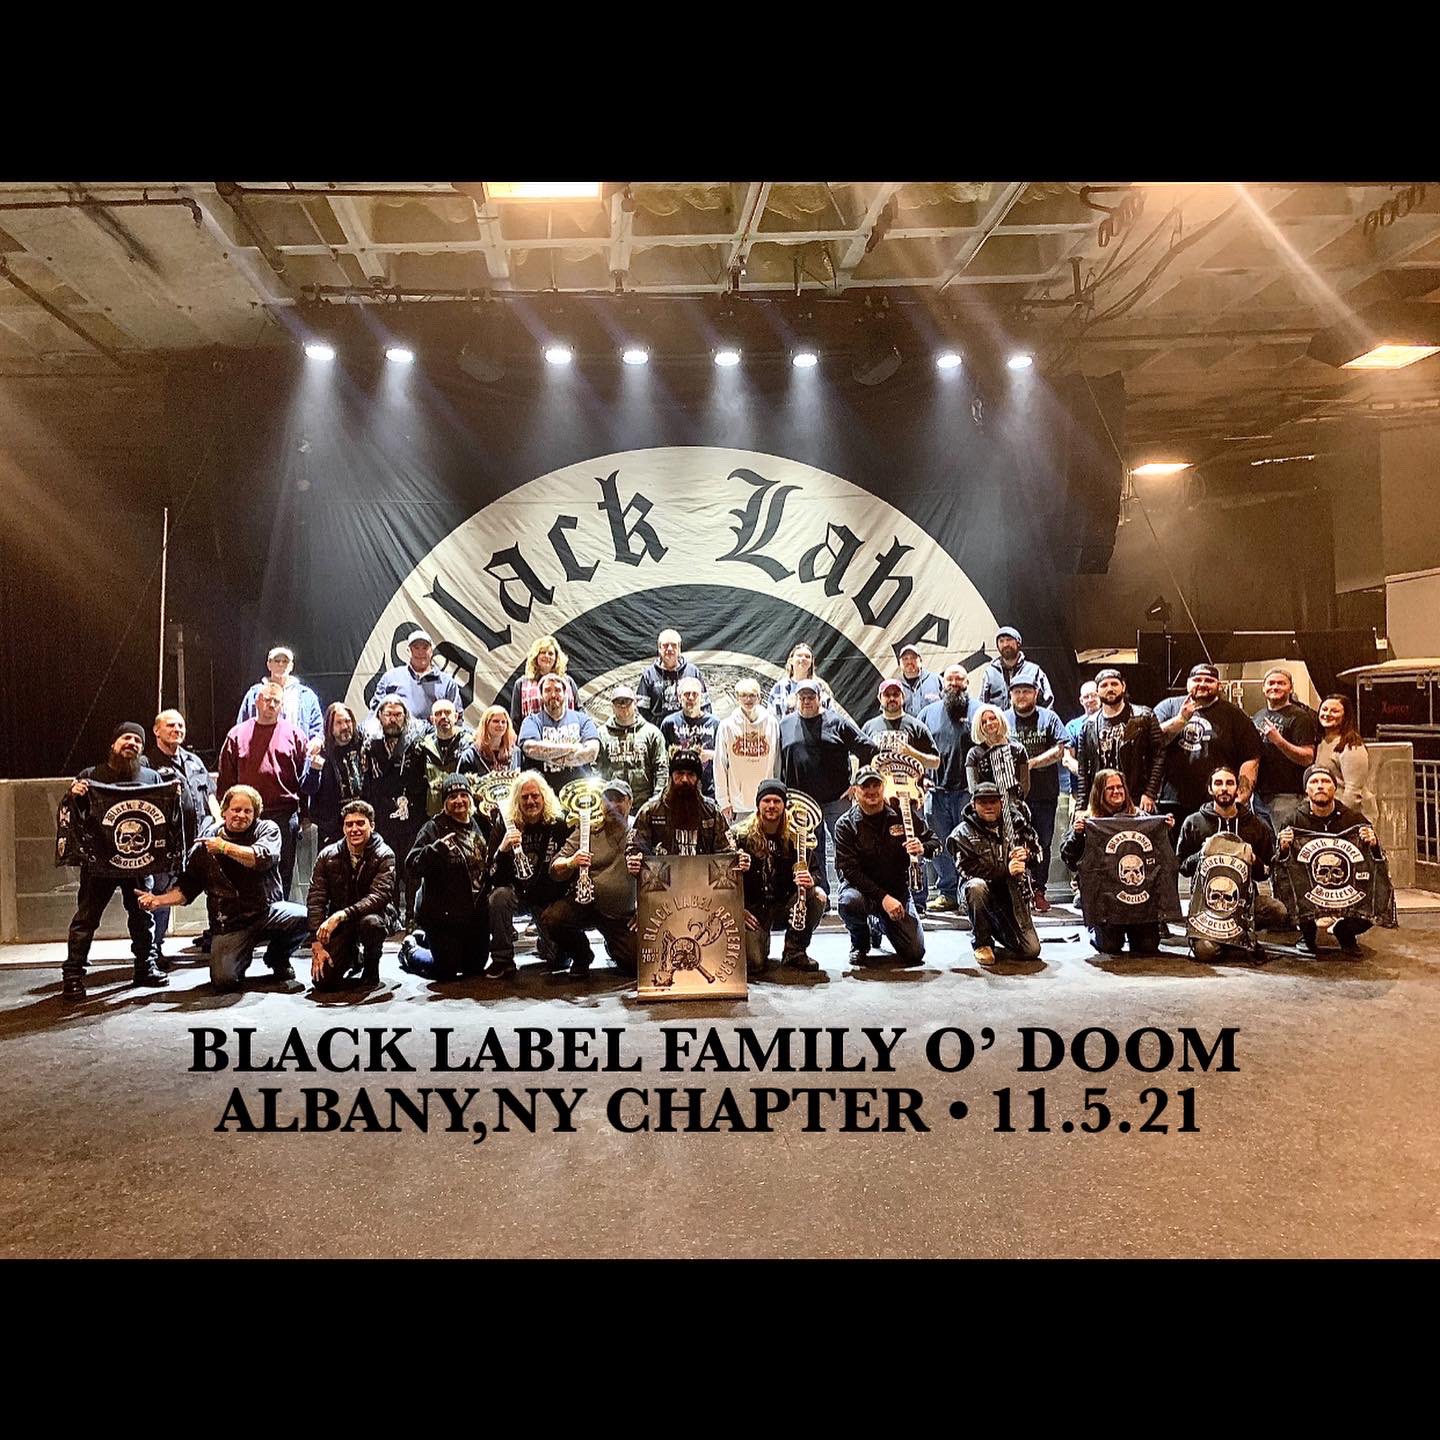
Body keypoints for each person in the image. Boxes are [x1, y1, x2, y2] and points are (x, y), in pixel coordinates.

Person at [139, 783, 307, 992]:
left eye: (248, 811)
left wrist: (224, 847)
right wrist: (158, 901)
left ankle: (277, 958)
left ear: (255, 814)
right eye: (236, 810)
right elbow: (186, 888)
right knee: (224, 981)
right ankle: (239, 960)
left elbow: (261, 858)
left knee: (305, 917)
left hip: (267, 912)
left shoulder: (267, 829)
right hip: (231, 923)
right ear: (224, 811)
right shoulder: (204, 845)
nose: (241, 815)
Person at [60, 723, 173, 1002]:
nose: (131, 742)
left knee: (142, 917)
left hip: (140, 862)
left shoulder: (151, 777)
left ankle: (145, 967)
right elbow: (73, 815)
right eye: (126, 737)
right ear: (113, 744)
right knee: (86, 919)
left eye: (137, 740)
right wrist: (73, 796)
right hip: (100, 863)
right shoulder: (91, 776)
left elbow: (165, 815)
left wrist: (175, 795)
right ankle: (73, 975)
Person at [777, 679, 879, 900]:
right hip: (801, 804)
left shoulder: (837, 722)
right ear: (796, 699)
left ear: (819, 698)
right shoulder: (784, 725)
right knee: (811, 853)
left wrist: (856, 784)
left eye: (811, 697)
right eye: (802, 697)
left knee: (847, 847)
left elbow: (869, 749)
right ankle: (820, 899)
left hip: (836, 800)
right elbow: (778, 762)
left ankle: (851, 896)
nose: (806, 701)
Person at [1175, 765, 1289, 959]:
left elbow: (1265, 872)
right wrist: (1201, 855)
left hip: (1245, 903)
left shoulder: (1255, 825)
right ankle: (1229, 940)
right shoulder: (1193, 822)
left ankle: (1238, 935)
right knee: (1207, 953)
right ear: (1210, 789)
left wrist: (1254, 860)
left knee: (1278, 910)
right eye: (1218, 783)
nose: (1224, 788)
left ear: (1238, 788)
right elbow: (1183, 867)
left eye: (1229, 783)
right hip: (1205, 906)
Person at [833, 766, 938, 968]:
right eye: (865, 786)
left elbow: (934, 841)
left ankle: (877, 923)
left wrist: (923, 847)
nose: (871, 790)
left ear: (884, 787)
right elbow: (850, 872)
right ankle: (860, 942)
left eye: (876, 785)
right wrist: (883, 899)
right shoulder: (845, 825)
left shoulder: (903, 815)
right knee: (849, 902)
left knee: (915, 953)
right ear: (855, 790)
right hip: (861, 891)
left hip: (897, 891)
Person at [1062, 770, 1173, 956]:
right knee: (1110, 946)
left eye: (1120, 787)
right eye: (1110, 788)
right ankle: (1093, 928)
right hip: (1105, 905)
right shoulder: (1088, 820)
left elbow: (1162, 858)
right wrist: (1077, 836)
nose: (1117, 791)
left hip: (1139, 904)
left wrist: (1166, 830)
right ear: (1100, 792)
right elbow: (1070, 860)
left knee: (1147, 947)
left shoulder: (1141, 817)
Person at [217, 679, 310, 900]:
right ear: (257, 702)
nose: (271, 705)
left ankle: (278, 914)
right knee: (244, 869)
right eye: (267, 700)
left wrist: (305, 814)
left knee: (281, 871)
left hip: (284, 815)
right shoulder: (237, 735)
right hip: (245, 817)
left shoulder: (295, 735)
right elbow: (226, 780)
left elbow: (304, 780)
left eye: (276, 701)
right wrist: (225, 814)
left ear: (282, 705)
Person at [399, 776, 497, 981]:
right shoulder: (433, 828)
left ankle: (427, 940)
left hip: (474, 915)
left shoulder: (478, 823)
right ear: (444, 802)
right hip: (443, 917)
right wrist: (436, 851)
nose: (459, 800)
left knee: (474, 968)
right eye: (452, 796)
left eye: (463, 795)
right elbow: (411, 866)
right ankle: (411, 949)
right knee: (446, 970)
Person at [1276, 766, 1381, 956]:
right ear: (1306, 789)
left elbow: (1374, 862)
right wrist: (1283, 849)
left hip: (1346, 888)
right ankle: (1307, 935)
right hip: (1308, 888)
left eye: (1325, 781)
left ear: (1335, 787)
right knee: (1290, 892)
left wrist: (1373, 844)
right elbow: (1281, 866)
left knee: (1375, 903)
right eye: (1314, 782)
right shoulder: (1293, 820)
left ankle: (1345, 932)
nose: (1320, 786)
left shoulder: (1354, 820)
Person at [544, 779, 638, 981]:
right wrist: (571, 862)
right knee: (553, 918)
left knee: (635, 965)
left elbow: (656, 873)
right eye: (608, 799)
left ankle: (613, 946)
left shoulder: (640, 831)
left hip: (620, 915)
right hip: (585, 904)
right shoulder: (588, 827)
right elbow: (554, 866)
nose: (612, 805)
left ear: (630, 802)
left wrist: (644, 911)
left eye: (619, 800)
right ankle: (582, 955)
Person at [147, 707, 220, 959]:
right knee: (160, 895)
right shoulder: (147, 764)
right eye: (170, 725)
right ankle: (153, 950)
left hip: (199, 841)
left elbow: (210, 795)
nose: (177, 729)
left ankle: (217, 938)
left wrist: (219, 824)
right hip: (166, 845)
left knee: (214, 889)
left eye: (180, 726)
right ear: (157, 730)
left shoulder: (194, 761)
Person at [732, 779, 825, 974]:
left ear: (784, 805)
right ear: (758, 804)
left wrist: (810, 880)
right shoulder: (739, 836)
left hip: (785, 906)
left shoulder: (797, 836)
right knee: (755, 964)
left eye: (777, 801)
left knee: (818, 895)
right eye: (766, 801)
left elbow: (817, 872)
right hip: (754, 911)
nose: (771, 806)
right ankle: (759, 943)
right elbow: (723, 879)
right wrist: (737, 909)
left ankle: (795, 951)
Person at [1154, 663, 1261, 829]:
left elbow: (1251, 756)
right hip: (1171, 801)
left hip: (1216, 802)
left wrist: (1241, 796)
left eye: (1209, 680)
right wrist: (1180, 720)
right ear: (1188, 683)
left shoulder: (1235, 715)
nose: (1202, 684)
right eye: (1197, 679)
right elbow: (1151, 741)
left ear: (1219, 685)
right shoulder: (1168, 707)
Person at [484, 771, 570, 979]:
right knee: (499, 897)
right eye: (524, 797)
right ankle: (502, 960)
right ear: (517, 801)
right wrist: (503, 850)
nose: (530, 801)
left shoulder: (558, 824)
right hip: (516, 894)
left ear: (544, 797)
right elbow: (492, 876)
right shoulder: (504, 825)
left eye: (535, 796)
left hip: (545, 897)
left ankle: (545, 942)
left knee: (560, 960)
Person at [947, 781, 1042, 966]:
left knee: (1031, 950)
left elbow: (1039, 853)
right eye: (983, 802)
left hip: (1012, 896)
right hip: (980, 895)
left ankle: (996, 928)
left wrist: (1027, 855)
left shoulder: (1017, 824)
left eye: (993, 801)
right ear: (973, 804)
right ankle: (982, 942)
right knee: (976, 886)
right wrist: (1006, 871)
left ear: (1001, 802)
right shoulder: (961, 834)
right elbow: (968, 870)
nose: (989, 806)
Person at [307, 800, 396, 991]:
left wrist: (342, 915)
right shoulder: (327, 855)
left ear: (372, 826)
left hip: (373, 916)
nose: (354, 829)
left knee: (371, 924)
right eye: (349, 824)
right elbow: (316, 898)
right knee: (323, 981)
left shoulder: (385, 854)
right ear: (343, 828)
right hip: (340, 922)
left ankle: (371, 968)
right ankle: (354, 956)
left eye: (360, 823)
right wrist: (316, 942)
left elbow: (379, 896)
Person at [362, 697, 429, 927]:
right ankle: (390, 916)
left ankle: (412, 915)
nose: (393, 719)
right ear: (380, 716)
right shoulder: (370, 743)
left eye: (398, 714)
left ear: (405, 716)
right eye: (388, 714)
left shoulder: (418, 741)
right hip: (383, 817)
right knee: (387, 868)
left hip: (412, 816)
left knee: (412, 868)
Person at [1003, 678, 1067, 912]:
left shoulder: (1049, 718)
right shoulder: (1003, 719)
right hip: (1012, 796)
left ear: (1036, 693)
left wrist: (1029, 764)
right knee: (1011, 843)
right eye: (1017, 691)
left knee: (1042, 843)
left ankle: (1039, 890)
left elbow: (1060, 750)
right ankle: (1018, 890)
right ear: (1010, 694)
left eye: (1026, 691)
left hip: (1044, 794)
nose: (1021, 696)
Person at [919, 665, 975, 913]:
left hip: (967, 793)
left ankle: (966, 895)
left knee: (967, 844)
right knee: (939, 845)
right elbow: (917, 750)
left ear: (967, 683)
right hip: (936, 793)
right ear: (942, 684)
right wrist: (921, 777)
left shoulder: (979, 710)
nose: (954, 683)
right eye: (949, 679)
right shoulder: (927, 713)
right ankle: (948, 893)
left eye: (959, 679)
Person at [1073, 669, 1166, 819]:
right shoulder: (1088, 725)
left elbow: (1159, 756)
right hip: (1102, 802)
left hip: (1136, 798)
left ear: (1123, 686)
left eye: (1114, 684)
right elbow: (1083, 770)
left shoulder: (1144, 717)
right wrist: (1081, 807)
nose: (1110, 688)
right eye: (1104, 685)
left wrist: (1150, 793)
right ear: (1097, 691)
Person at [1250, 668, 1318, 839]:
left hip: (1287, 796)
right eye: (1271, 683)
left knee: (1286, 845)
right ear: (1263, 688)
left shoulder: (1300, 717)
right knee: (1266, 846)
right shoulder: (1259, 716)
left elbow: (1307, 758)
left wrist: (1278, 740)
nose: (1275, 687)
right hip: (1259, 797)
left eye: (1281, 683)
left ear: (1290, 688)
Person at [627, 749, 734, 857]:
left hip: (703, 869)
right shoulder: (650, 812)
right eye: (680, 773)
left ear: (698, 779)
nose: (684, 779)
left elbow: (728, 852)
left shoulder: (712, 813)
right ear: (671, 777)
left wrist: (738, 859)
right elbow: (635, 848)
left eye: (691, 774)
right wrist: (635, 859)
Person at [517, 673, 601, 791]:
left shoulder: (583, 719)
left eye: (557, 690)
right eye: (547, 690)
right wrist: (572, 748)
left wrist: (551, 756)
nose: (553, 695)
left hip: (579, 792)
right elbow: (531, 749)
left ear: (565, 693)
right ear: (541, 695)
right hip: (544, 793)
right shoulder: (531, 721)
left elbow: (592, 752)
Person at [714, 678, 780, 825]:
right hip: (737, 806)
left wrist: (777, 796)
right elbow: (720, 765)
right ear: (737, 698)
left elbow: (777, 763)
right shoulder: (726, 726)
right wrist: (723, 801)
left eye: (752, 695)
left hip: (766, 802)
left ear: (759, 697)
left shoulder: (771, 723)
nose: (748, 700)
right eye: (743, 695)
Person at [300, 701, 366, 848]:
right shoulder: (320, 751)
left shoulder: (362, 744)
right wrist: (314, 770)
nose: (345, 727)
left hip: (361, 823)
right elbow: (307, 789)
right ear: (330, 726)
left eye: (348, 721)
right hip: (331, 828)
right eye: (339, 723)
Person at [370, 630, 463, 732]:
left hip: (435, 740)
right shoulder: (390, 678)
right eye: (416, 648)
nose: (420, 652)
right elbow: (374, 714)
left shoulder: (447, 683)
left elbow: (458, 719)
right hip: (397, 739)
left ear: (431, 651)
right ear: (408, 651)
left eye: (425, 648)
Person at [597, 684, 668, 810]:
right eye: (619, 702)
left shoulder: (651, 733)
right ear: (612, 706)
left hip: (645, 804)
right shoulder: (602, 734)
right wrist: (599, 798)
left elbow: (661, 768)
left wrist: (657, 798)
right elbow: (596, 769)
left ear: (635, 703)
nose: (623, 706)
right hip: (613, 804)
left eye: (627, 702)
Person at [236, 644, 324, 741]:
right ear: (269, 665)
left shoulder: (307, 696)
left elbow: (318, 728)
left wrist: (316, 741)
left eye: (285, 661)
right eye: (277, 661)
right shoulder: (254, 694)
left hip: (296, 749)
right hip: (261, 748)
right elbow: (241, 726)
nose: (281, 664)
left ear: (291, 666)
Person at [416, 698, 478, 817]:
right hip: (434, 814)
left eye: (447, 712)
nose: (443, 716)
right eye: (438, 714)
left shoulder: (469, 744)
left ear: (456, 717)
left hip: (464, 813)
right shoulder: (423, 746)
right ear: (432, 719)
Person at [1315, 693, 1374, 818]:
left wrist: (1338, 817)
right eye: (1324, 709)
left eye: (1334, 711)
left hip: (1351, 816)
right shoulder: (1321, 742)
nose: (1327, 714)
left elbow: (1353, 792)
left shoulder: (1353, 746)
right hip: (1328, 813)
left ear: (1345, 716)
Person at [660, 678, 720, 798]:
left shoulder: (715, 723)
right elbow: (661, 759)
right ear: (679, 697)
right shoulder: (669, 723)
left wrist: (710, 755)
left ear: (701, 697)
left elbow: (725, 757)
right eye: (687, 694)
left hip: (708, 791)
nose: (691, 698)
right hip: (678, 790)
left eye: (695, 694)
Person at [862, 678, 941, 768]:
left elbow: (936, 762)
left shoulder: (917, 727)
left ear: (903, 697)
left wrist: (913, 754)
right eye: (887, 695)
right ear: (880, 698)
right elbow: (858, 761)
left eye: (896, 694)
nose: (892, 698)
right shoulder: (868, 727)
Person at [635, 628, 707, 725]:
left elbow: (705, 705)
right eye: (665, 645)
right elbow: (641, 710)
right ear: (659, 648)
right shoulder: (649, 675)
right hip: (658, 732)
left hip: (688, 731)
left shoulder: (692, 672)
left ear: (679, 648)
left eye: (673, 645)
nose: (669, 649)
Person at [509, 634, 581, 729]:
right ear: (535, 656)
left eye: (550, 653)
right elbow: (515, 720)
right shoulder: (521, 684)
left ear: (556, 658)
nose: (547, 656)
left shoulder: (568, 682)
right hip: (533, 735)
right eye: (543, 652)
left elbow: (579, 711)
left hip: (566, 735)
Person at [978, 626, 1054, 709]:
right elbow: (982, 704)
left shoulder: (1034, 671)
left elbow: (1048, 702)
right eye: (1001, 641)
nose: (1005, 644)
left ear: (1018, 643)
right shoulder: (990, 673)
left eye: (1009, 640)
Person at [966, 706, 1030, 802]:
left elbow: (1025, 784)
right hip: (987, 805)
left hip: (1014, 804)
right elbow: (973, 788)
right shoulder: (974, 754)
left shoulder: (1018, 749)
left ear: (1000, 719)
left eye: (992, 718)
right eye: (983, 722)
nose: (989, 723)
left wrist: (1017, 802)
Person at [769, 643, 834, 716]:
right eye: (799, 655)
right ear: (791, 661)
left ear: (811, 662)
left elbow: (831, 714)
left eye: (807, 657)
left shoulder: (821, 687)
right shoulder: (780, 688)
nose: (803, 659)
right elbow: (772, 716)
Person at [896, 643, 944, 718]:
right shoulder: (894, 686)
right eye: (905, 659)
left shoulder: (936, 680)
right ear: (900, 663)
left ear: (920, 660)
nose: (909, 662)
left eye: (913, 658)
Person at [469, 704, 518, 777]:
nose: (500, 725)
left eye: (503, 722)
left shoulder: (515, 753)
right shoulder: (471, 754)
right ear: (486, 724)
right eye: (496, 721)